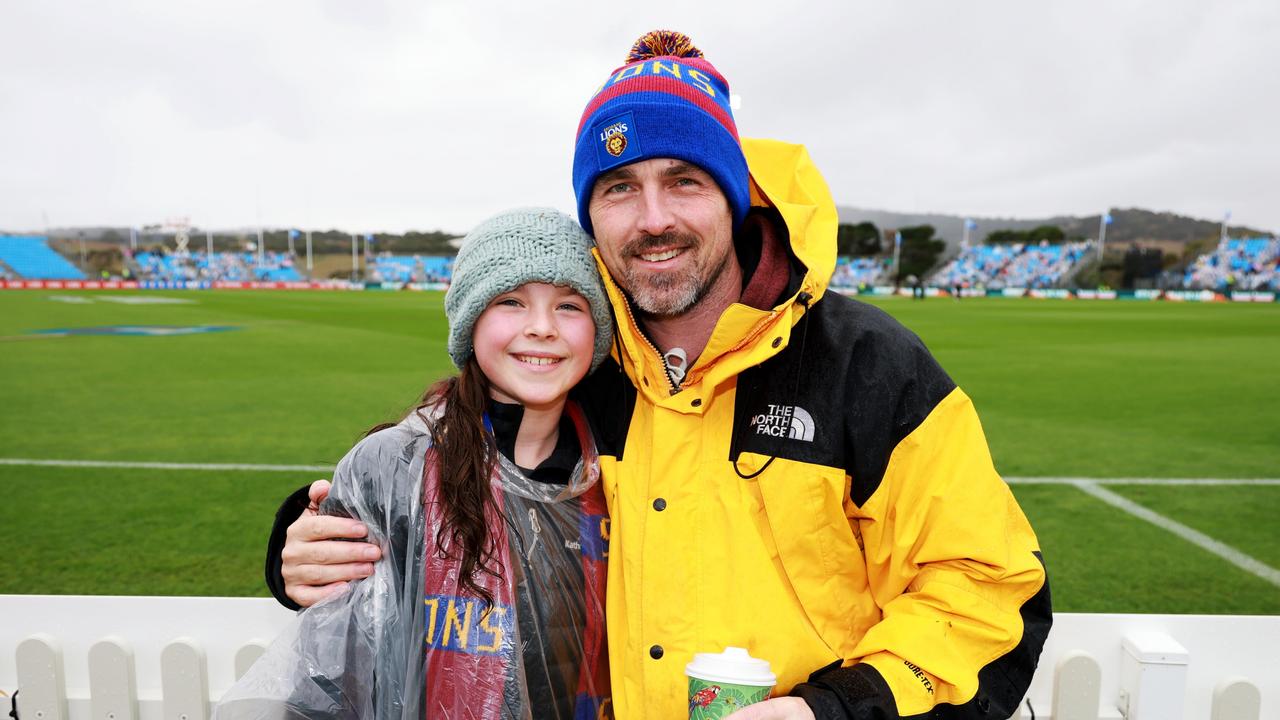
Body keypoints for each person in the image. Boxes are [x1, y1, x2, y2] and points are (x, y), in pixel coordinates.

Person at [268, 31, 1051, 720]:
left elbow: (990, 591)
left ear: (734, 197)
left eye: (684, 180)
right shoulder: (581, 362)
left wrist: (832, 712)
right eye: (619, 188)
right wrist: (302, 543)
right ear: (591, 215)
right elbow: (444, 474)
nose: (653, 219)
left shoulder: (867, 364)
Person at [223, 208, 615, 719]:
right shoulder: (392, 466)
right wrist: (297, 538)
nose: (541, 327)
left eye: (569, 305)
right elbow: (329, 676)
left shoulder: (618, 460)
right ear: (471, 321)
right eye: (511, 301)